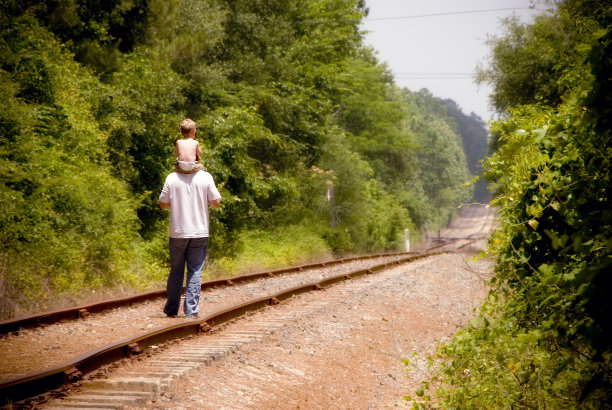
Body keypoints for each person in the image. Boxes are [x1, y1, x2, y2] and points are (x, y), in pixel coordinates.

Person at [158, 135, 222, 318]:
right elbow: (216, 202)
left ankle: (171, 309)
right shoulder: (205, 177)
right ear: (197, 155)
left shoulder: (171, 178)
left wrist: (177, 202)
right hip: (199, 231)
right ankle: (191, 311)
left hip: (178, 231)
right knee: (195, 270)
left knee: (176, 270)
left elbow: (163, 204)